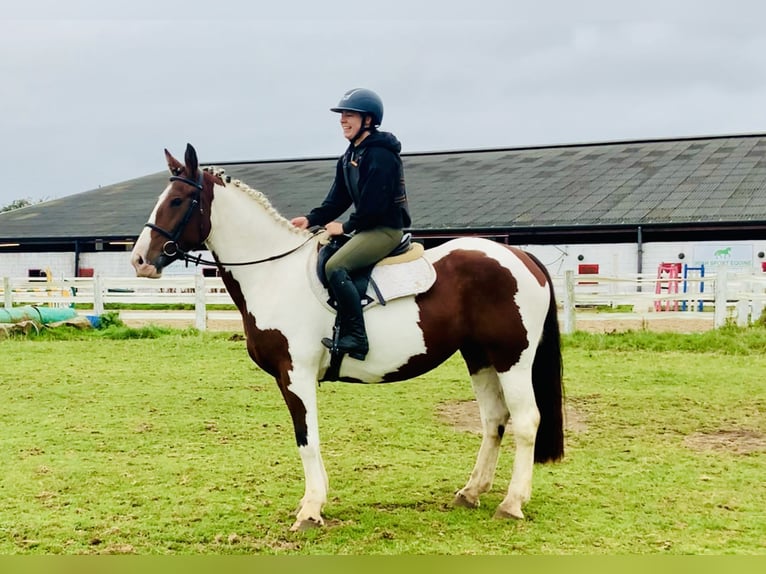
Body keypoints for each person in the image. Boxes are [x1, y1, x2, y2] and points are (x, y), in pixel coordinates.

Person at [291, 88, 411, 360]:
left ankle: (356, 337)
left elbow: (375, 206)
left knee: (336, 266)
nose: (343, 120)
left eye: (350, 115)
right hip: (367, 227)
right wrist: (311, 219)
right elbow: (337, 199)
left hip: (385, 230)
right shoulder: (349, 156)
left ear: (368, 120)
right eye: (342, 115)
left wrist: (344, 227)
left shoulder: (380, 155)